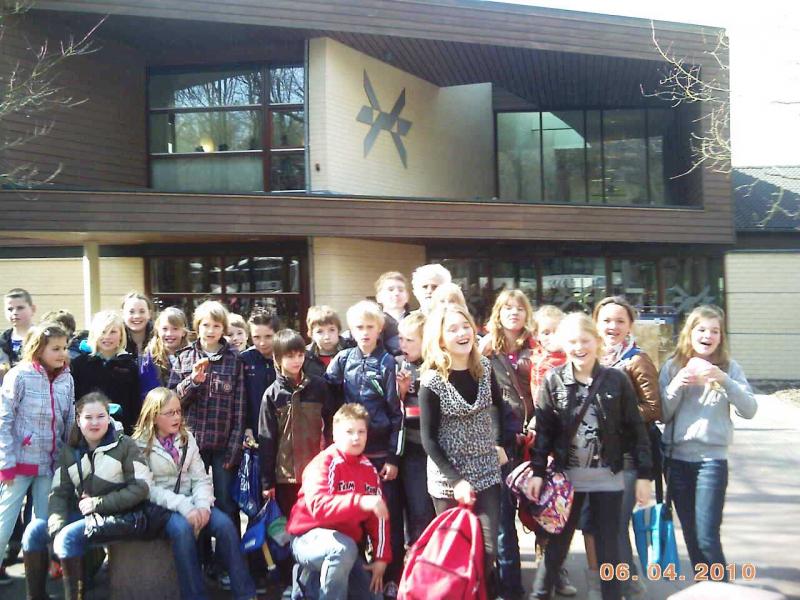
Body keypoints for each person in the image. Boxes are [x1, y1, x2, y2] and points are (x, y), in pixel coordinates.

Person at [528, 312, 652, 600]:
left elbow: (636, 429)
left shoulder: (616, 380)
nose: (579, 347)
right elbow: (544, 432)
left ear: (596, 341)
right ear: (564, 345)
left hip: (608, 477)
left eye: (585, 340)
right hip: (568, 479)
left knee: (610, 547)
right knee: (557, 545)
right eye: (572, 342)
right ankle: (539, 595)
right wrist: (537, 472)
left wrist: (644, 475)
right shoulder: (553, 380)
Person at [658, 305, 757, 576]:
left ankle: (721, 589)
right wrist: (677, 384)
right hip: (677, 461)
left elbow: (749, 409)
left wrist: (724, 380)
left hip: (712, 460)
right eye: (701, 329)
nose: (708, 336)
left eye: (715, 331)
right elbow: (663, 414)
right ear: (689, 333)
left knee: (707, 536)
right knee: (691, 536)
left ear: (721, 337)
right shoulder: (673, 367)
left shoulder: (729, 368)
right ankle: (705, 585)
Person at [22, 391, 150, 600]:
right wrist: (56, 525)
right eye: (88, 417)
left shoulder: (126, 445)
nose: (95, 422)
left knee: (69, 536)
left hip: (117, 516)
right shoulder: (69, 451)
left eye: (100, 416)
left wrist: (99, 503)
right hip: (82, 516)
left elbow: (140, 488)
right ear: (78, 420)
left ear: (109, 418)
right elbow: (59, 493)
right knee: (34, 530)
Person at [133, 387, 257, 600]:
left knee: (225, 525)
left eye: (178, 411)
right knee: (182, 530)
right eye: (170, 413)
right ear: (154, 416)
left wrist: (202, 506)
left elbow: (200, 478)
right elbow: (148, 489)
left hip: (192, 502)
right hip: (161, 508)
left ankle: (245, 593)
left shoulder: (187, 438)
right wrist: (185, 507)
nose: (177, 417)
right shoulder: (138, 444)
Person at [418, 304, 506, 598]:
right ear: (441, 338)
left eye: (465, 326)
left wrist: (500, 443)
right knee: (455, 553)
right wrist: (456, 481)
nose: (462, 333)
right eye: (452, 329)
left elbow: (499, 408)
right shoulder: (432, 381)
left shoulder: (485, 368)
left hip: (486, 470)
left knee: (488, 549)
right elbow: (429, 439)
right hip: (448, 478)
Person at [325, 300, 403, 597]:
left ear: (380, 329)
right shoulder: (343, 359)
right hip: (351, 454)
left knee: (386, 517)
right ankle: (356, 576)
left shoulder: (387, 363)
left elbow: (397, 414)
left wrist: (393, 457)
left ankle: (391, 577)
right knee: (352, 516)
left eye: (371, 327)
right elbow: (326, 390)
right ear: (351, 330)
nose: (365, 332)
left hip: (381, 454)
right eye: (359, 327)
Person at [592, 296, 661, 599]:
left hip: (628, 455)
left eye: (620, 321)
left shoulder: (636, 359)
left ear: (630, 325)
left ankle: (627, 586)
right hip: (597, 457)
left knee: (617, 524)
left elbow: (654, 408)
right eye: (606, 320)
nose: (613, 326)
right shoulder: (592, 358)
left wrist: (618, 416)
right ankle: (627, 582)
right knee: (606, 525)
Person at [287, 403, 389, 600]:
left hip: (346, 547)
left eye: (361, 431)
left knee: (374, 595)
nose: (356, 437)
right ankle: (307, 578)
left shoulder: (370, 471)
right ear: (335, 435)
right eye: (349, 432)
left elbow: (380, 518)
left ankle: (311, 580)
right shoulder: (323, 463)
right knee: (342, 550)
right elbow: (318, 507)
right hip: (306, 538)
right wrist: (360, 502)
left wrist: (381, 558)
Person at [0, 322, 74, 591]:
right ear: (38, 348)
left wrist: (68, 459)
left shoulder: (67, 378)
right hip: (18, 463)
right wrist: (5, 463)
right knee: (5, 521)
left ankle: (39, 576)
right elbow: (4, 420)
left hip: (50, 463)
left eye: (64, 347)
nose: (62, 353)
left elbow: (69, 420)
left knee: (43, 522)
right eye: (55, 348)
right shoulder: (19, 376)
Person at [168, 300, 247, 528]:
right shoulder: (184, 357)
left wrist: (234, 448)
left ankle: (228, 549)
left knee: (226, 502)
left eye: (216, 326)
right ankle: (199, 549)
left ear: (223, 329)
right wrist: (192, 381)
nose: (210, 331)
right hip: (192, 445)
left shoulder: (235, 360)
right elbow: (171, 402)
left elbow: (240, 408)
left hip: (223, 446)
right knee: (194, 501)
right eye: (205, 325)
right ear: (197, 326)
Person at [480, 289, 537, 600]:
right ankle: (510, 588)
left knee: (541, 512)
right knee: (503, 520)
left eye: (520, 308)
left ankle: (552, 575)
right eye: (507, 308)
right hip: (503, 441)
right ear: (498, 314)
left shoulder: (538, 348)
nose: (514, 313)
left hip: (536, 441)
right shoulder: (486, 350)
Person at [259, 329, 335, 517]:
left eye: (300, 355)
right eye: (290, 356)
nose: (297, 360)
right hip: (285, 477)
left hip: (317, 471)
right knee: (289, 524)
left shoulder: (319, 386)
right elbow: (267, 440)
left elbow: (331, 427)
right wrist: (267, 482)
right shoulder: (272, 395)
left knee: (317, 522)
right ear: (277, 358)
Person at [394, 312, 434, 545]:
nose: (403, 345)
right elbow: (392, 407)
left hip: (437, 448)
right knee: (416, 508)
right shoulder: (398, 364)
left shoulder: (437, 365)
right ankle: (417, 554)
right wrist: (401, 390)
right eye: (400, 338)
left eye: (410, 340)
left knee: (434, 509)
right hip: (411, 448)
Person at [70, 311, 141, 434]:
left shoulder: (130, 366)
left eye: (113, 332)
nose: (107, 337)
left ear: (121, 335)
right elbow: (74, 399)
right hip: (87, 431)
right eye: (103, 332)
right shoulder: (79, 364)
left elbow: (135, 404)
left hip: (120, 431)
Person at [240, 311, 280, 449]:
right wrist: (246, 427)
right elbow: (241, 398)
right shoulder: (244, 359)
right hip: (255, 431)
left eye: (268, 336)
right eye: (256, 337)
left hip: (284, 429)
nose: (262, 343)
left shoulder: (286, 357)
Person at [140, 307, 190, 400]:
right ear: (158, 330)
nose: (169, 333)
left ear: (183, 332)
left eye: (175, 329)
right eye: (165, 329)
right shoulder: (150, 358)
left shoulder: (191, 355)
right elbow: (147, 390)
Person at [304, 305, 349, 379]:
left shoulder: (350, 353)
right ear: (311, 334)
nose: (327, 337)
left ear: (338, 331)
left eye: (331, 330)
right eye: (320, 331)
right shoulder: (305, 356)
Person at [373, 272, 411, 357]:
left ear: (407, 296)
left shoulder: (418, 321)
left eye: (401, 290)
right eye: (390, 289)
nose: (396, 293)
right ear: (379, 297)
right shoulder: (372, 323)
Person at [1, 288, 36, 375]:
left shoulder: (43, 337)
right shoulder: (2, 340)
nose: (15, 312)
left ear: (33, 309)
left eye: (20, 308)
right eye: (10, 309)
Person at [121, 291, 154, 358]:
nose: (137, 316)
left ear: (149, 314)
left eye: (142, 311)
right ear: (123, 314)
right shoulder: (115, 340)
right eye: (131, 312)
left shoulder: (159, 338)